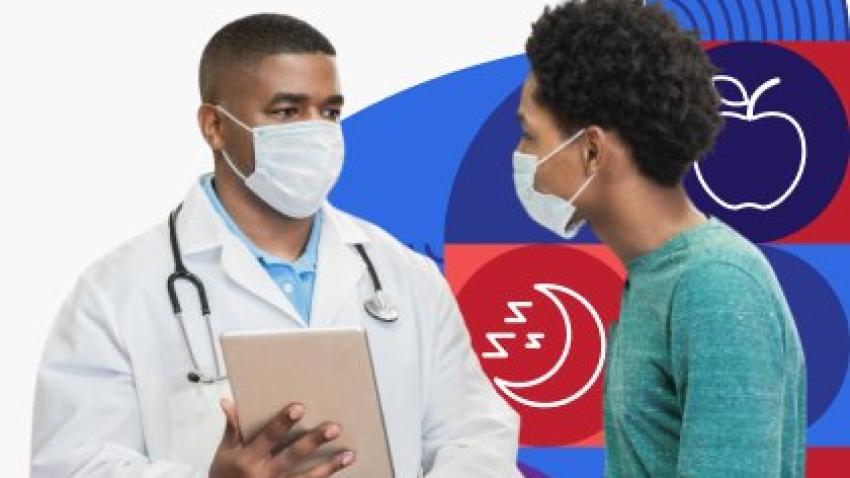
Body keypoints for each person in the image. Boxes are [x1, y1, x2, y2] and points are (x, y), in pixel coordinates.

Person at [31, 13, 521, 478]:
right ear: (214, 126)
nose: (317, 131)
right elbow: (71, 464)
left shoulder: (402, 273)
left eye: (329, 112)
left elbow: (476, 435)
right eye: (287, 111)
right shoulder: (116, 290)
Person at [513, 1, 806, 476]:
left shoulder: (714, 285)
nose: (522, 156)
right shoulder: (658, 276)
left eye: (529, 136)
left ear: (591, 150)